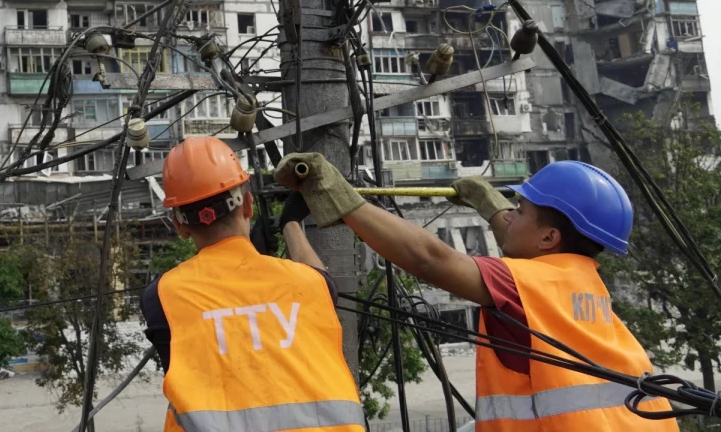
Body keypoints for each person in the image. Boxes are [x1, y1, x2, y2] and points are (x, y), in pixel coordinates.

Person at [274, 154, 677, 431]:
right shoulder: (581, 279)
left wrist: (337, 194)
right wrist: (489, 203)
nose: (509, 217)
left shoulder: (525, 282)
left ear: (550, 237)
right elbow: (524, 239)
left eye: (520, 211)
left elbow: (430, 259)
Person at [141, 136, 365, 432]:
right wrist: (290, 223)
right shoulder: (308, 283)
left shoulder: (161, 298)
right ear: (248, 205)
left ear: (180, 225)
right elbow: (321, 280)